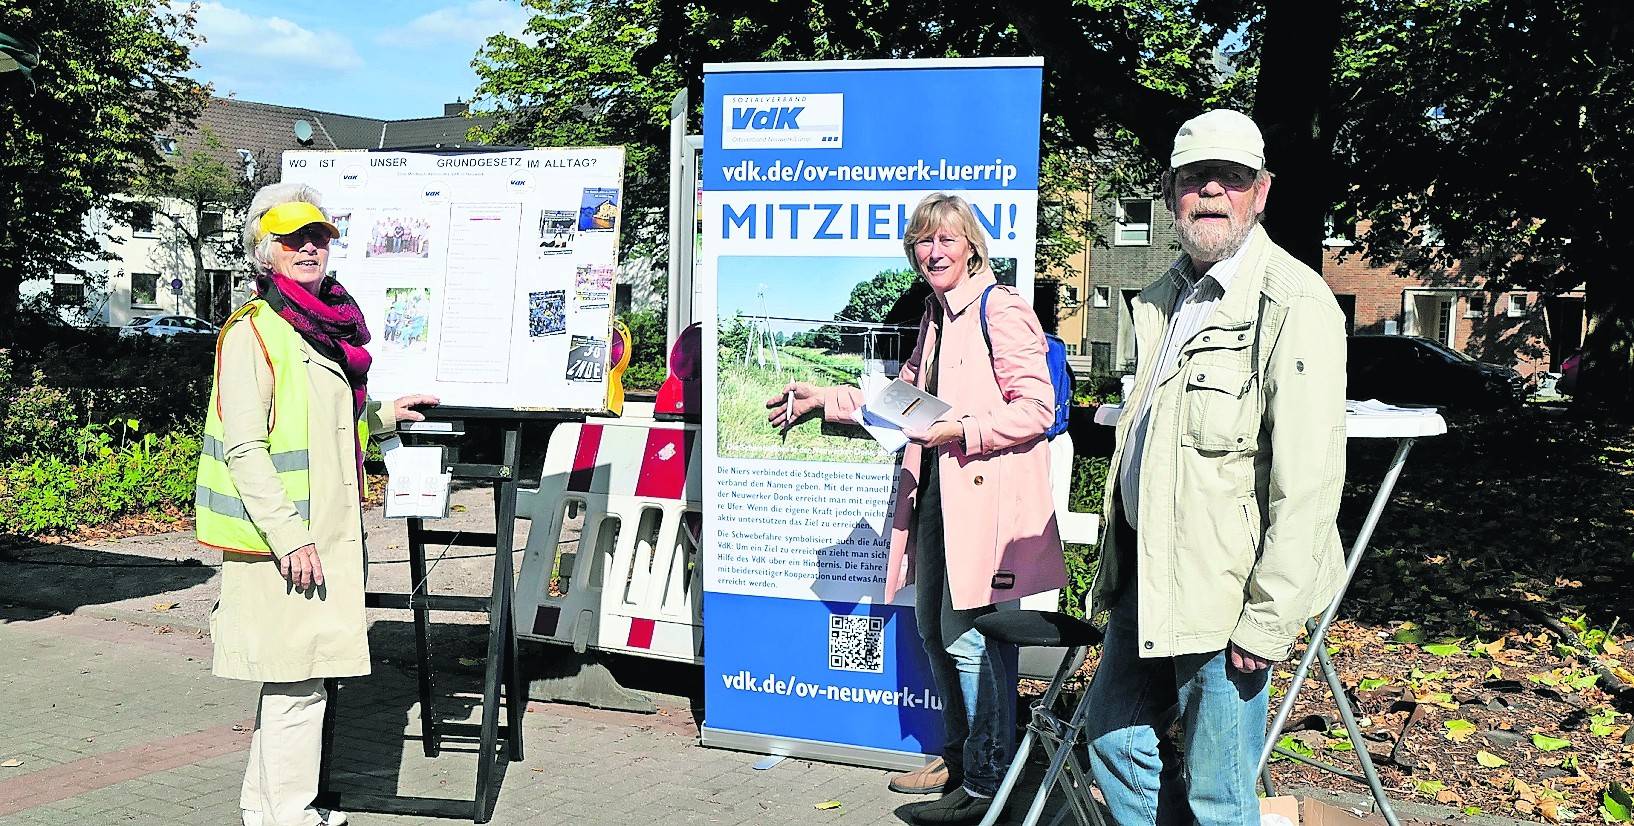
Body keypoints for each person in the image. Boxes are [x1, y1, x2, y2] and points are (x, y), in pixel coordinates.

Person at [1082, 109, 1349, 825]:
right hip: (1151, 572)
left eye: (1229, 178)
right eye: (1194, 178)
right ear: (1170, 195)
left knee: (1219, 793)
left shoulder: (1293, 303)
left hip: (1228, 593)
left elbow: (1310, 482)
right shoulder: (1163, 298)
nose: (1210, 193)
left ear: (1260, 192)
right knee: (1110, 738)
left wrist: (1264, 622)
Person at [767, 194, 1067, 826]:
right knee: (934, 629)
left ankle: (987, 787)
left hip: (980, 506)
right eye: (922, 243)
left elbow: (1037, 409)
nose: (932, 252)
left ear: (972, 247)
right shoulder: (936, 313)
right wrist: (826, 398)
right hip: (933, 495)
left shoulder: (1002, 309)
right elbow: (895, 402)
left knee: (972, 644)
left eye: (945, 241)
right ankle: (959, 759)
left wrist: (961, 430)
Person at [196, 182, 439, 826]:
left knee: (291, 683)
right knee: (297, 686)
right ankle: (290, 814)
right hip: (285, 548)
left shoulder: (320, 330)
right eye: (292, 237)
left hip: (316, 542)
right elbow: (245, 449)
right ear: (265, 250)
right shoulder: (255, 332)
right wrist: (290, 538)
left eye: (319, 237)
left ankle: (265, 807)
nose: (309, 247)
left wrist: (384, 416)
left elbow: (329, 428)